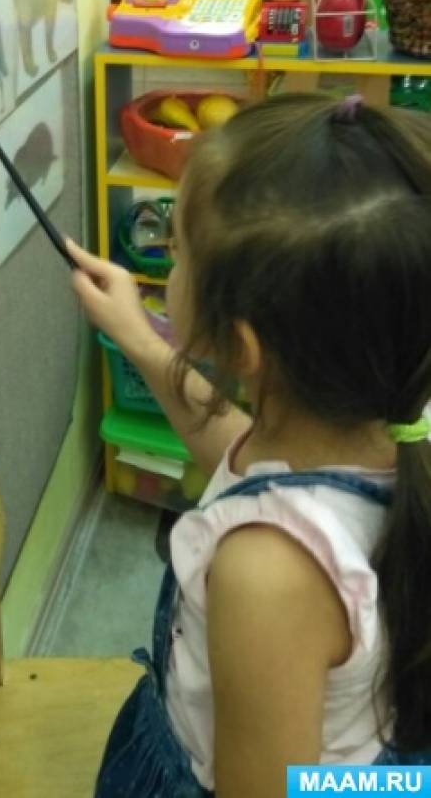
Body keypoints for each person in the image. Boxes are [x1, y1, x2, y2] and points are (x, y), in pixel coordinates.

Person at [68, 93, 431, 797]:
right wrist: (138, 335)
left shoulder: (267, 573)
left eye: (178, 255)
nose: (170, 266)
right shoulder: (378, 430)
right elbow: (241, 455)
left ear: (240, 345)